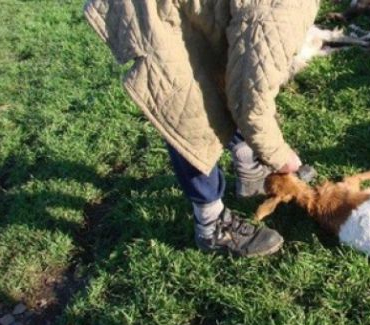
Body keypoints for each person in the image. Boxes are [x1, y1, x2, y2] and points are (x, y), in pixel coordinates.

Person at [84, 0, 319, 257]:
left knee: (222, 70)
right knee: (187, 108)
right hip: (147, 11)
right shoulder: (283, 9)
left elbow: (243, 70)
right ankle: (211, 225)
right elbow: (250, 98)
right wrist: (279, 155)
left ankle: (249, 168)